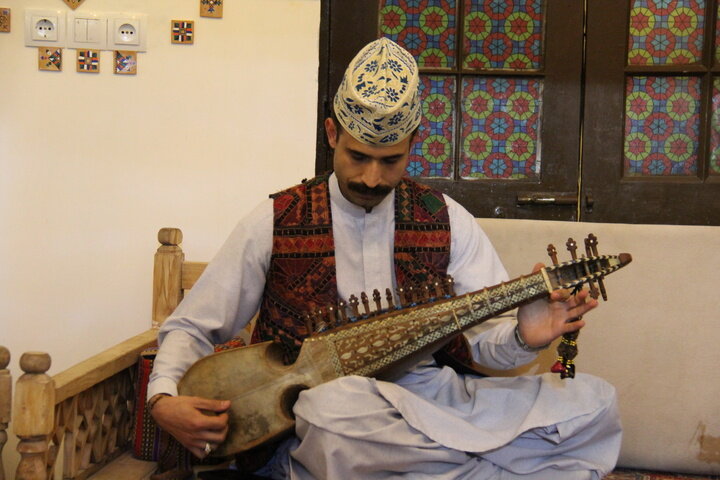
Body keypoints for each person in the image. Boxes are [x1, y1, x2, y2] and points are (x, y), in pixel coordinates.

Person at [148, 38, 621, 479]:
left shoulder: (446, 219)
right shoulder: (276, 219)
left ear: (414, 143)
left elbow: (483, 346)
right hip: (330, 416)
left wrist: (524, 335)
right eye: (358, 156)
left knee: (593, 402)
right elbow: (194, 326)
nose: (372, 178)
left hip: (430, 402)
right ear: (332, 133)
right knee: (332, 413)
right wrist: (163, 399)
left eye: (390, 161)